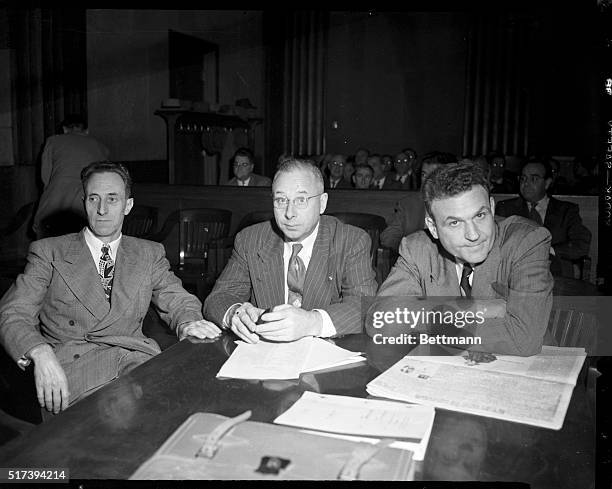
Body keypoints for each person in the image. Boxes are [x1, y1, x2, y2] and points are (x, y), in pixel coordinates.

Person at [0, 161, 219, 415]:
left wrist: (188, 322)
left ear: (128, 205)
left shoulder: (148, 253)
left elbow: (177, 299)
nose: (102, 209)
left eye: (112, 199)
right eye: (94, 199)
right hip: (72, 375)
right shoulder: (50, 252)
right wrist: (39, 351)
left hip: (136, 361)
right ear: (84, 202)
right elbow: (13, 313)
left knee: (188, 405)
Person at [375, 162, 553, 356]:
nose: (473, 234)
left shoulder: (526, 241)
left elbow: (522, 340)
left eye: (480, 215)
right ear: (433, 227)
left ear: (492, 208)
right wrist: (480, 308)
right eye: (455, 222)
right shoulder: (417, 247)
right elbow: (382, 320)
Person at [204, 158, 377, 343]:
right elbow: (218, 297)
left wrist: (312, 322)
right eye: (281, 200)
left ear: (322, 203)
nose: (289, 213)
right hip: (264, 358)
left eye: (301, 200)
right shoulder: (250, 240)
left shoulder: (351, 241)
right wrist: (234, 314)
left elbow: (364, 306)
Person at [495, 158, 591, 276]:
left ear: (547, 183)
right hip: (516, 276)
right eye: (523, 178)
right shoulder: (506, 208)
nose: (526, 183)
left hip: (556, 277)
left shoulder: (565, 210)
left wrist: (548, 250)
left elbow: (581, 244)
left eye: (534, 179)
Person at [32, 114, 110, 238]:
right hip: (88, 199)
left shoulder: (53, 141)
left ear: (64, 129)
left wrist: (48, 192)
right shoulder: (101, 146)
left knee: (47, 237)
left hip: (58, 195)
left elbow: (45, 176)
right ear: (86, 131)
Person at [379, 151, 454, 251]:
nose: (427, 180)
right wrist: (411, 252)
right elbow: (388, 237)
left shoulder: (457, 203)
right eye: (424, 174)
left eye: (433, 175)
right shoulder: (408, 204)